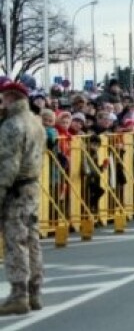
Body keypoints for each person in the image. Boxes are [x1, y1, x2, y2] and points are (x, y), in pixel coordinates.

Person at [0, 81, 46, 314]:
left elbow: (8, 165)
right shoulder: (35, 122)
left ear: (10, 97)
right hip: (31, 186)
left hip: (15, 189)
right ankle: (34, 292)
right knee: (32, 240)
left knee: (15, 241)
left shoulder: (12, 125)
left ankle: (19, 295)